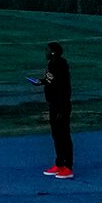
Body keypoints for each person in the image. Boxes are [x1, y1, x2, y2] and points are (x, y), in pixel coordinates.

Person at [31, 41, 74, 180]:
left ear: (53, 52)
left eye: (47, 50)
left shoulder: (61, 65)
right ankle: (59, 163)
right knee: (56, 135)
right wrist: (41, 82)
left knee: (64, 135)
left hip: (61, 105)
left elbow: (64, 88)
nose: (46, 53)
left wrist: (62, 108)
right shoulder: (51, 65)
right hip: (53, 104)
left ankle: (68, 167)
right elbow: (50, 80)